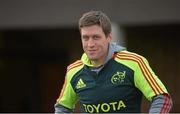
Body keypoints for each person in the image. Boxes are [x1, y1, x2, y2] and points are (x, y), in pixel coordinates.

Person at [54, 10, 173, 113]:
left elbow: (162, 98)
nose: (90, 44)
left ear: (109, 37)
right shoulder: (73, 70)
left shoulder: (134, 62)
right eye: (85, 38)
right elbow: (62, 107)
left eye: (96, 37)